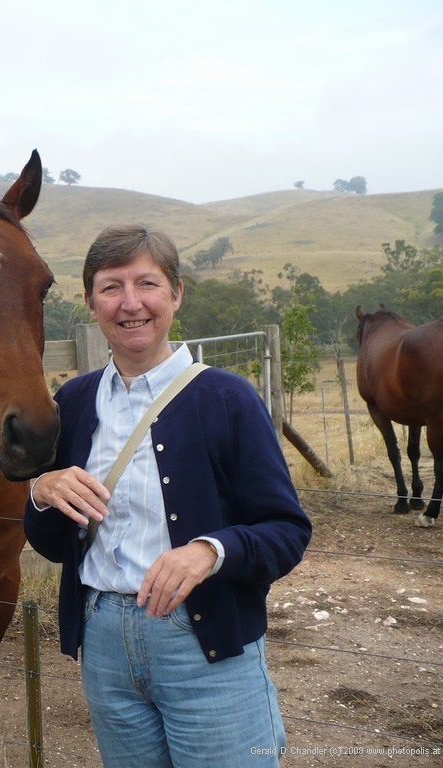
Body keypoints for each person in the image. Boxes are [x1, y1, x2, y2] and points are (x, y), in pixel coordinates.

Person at [24, 224, 311, 767]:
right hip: (103, 641)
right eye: (111, 287)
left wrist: (209, 551)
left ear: (176, 294)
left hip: (203, 643)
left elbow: (287, 532)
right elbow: (52, 543)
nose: (130, 303)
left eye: (147, 284)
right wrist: (41, 492)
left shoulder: (227, 399)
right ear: (90, 302)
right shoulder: (75, 403)